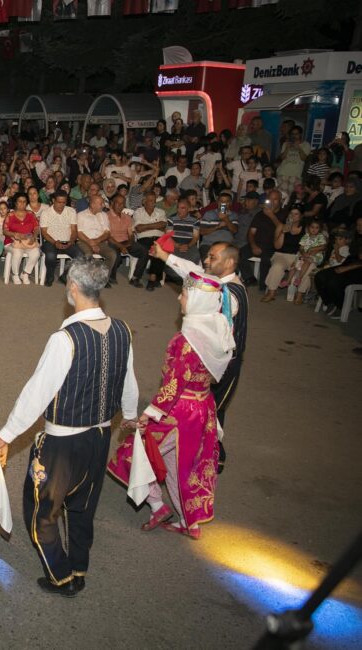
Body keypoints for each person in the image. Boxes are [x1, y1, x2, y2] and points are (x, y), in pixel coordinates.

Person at [0, 259, 137, 596]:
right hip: (100, 437)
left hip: (62, 444)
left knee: (41, 510)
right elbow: (129, 379)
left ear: (72, 287)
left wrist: (6, 435)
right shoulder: (122, 330)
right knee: (83, 506)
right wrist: (128, 413)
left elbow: (37, 392)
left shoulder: (65, 338)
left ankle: (61, 575)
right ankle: (80, 566)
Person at [109, 272, 234, 540]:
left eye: (185, 294)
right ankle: (190, 521)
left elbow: (175, 383)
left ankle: (156, 504)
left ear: (199, 301)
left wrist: (148, 414)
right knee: (185, 464)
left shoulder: (187, 340)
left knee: (135, 453)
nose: (179, 297)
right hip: (203, 406)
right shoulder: (220, 329)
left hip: (179, 411)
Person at [150, 241, 249, 473]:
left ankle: (214, 453)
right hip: (206, 357)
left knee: (213, 408)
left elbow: (211, 308)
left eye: (213, 258)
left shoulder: (230, 293)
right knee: (199, 405)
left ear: (229, 262)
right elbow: (192, 272)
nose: (206, 261)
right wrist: (165, 256)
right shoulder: (215, 281)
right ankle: (194, 446)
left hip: (225, 363)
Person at [260, 207, 304, 303]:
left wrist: (299, 259)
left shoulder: (305, 229)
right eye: (291, 213)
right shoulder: (281, 226)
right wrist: (284, 232)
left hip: (297, 256)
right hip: (281, 254)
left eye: (296, 214)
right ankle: (271, 293)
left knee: (303, 267)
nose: (292, 216)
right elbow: (277, 246)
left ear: (301, 216)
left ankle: (299, 295)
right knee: (277, 267)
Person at [39, 190, 81, 286]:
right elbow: (44, 233)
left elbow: (74, 230)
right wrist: (55, 242)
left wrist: (71, 241)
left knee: (80, 256)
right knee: (50, 256)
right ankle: (50, 276)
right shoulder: (46, 213)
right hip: (51, 241)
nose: (61, 205)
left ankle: (65, 276)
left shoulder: (71, 211)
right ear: (53, 200)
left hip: (67, 241)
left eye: (64, 202)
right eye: (59, 202)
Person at [106, 194, 148, 287]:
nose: (120, 206)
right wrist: (121, 246)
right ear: (112, 203)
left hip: (125, 242)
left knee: (144, 251)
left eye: (122, 204)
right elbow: (108, 236)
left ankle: (135, 278)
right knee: (115, 253)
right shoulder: (106, 216)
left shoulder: (127, 217)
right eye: (118, 203)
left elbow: (131, 234)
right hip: (112, 241)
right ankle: (111, 277)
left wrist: (127, 244)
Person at [4, 193, 41, 284]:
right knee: (17, 252)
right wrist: (14, 234)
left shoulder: (31, 214)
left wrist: (34, 236)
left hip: (28, 241)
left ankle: (25, 273)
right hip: (12, 242)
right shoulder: (10, 215)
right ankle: (15, 274)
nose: (22, 204)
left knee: (36, 252)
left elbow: (37, 228)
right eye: (20, 202)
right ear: (16, 203)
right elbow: (5, 231)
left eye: (24, 202)